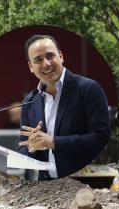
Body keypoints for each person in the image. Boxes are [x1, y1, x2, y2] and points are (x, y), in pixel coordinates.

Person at [18, 34, 111, 180]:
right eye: (38, 60)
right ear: (31, 67)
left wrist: (54, 142)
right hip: (45, 185)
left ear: (61, 56)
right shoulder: (29, 101)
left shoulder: (88, 89)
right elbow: (23, 149)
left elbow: (101, 138)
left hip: (83, 182)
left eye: (50, 56)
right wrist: (32, 147)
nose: (46, 63)